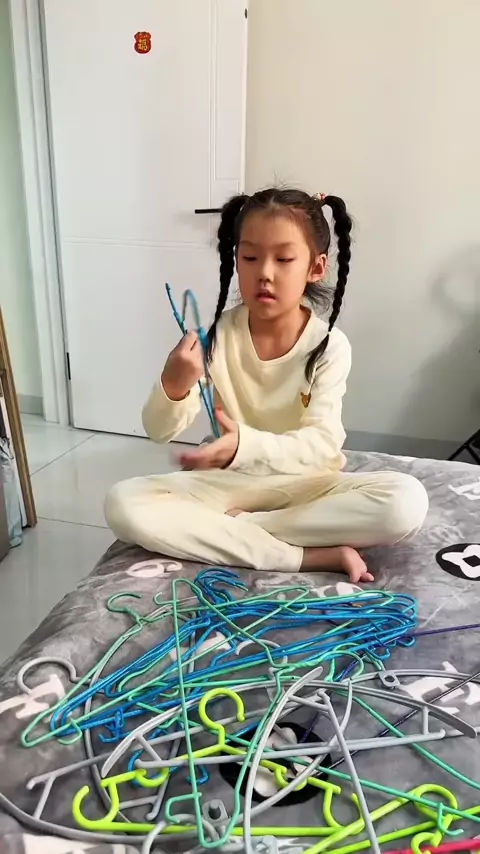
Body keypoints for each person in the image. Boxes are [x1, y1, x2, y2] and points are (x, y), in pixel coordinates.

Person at [105, 188, 428, 582]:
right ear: (236, 260)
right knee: (123, 503)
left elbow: (321, 445)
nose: (265, 273)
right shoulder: (216, 339)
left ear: (316, 267)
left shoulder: (329, 346)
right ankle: (303, 556)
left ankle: (244, 529)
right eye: (250, 257)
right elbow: (159, 431)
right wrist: (174, 384)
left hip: (307, 484)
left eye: (284, 259)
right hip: (229, 484)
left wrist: (243, 447)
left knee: (404, 503)